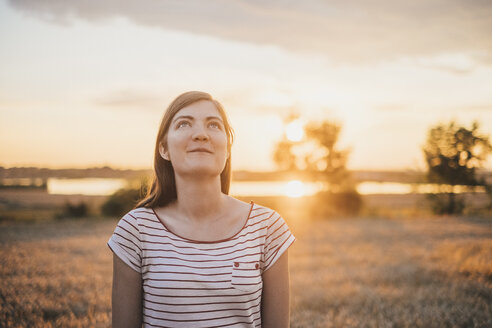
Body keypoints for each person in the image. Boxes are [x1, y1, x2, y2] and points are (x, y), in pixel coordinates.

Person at [107, 91, 296, 328]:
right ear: (164, 149)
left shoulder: (268, 227)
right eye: (184, 124)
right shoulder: (136, 230)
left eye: (213, 125)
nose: (200, 134)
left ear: (227, 150)